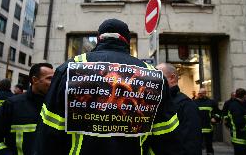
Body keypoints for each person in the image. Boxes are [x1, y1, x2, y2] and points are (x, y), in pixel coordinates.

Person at [33, 19, 178, 155]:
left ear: (99, 39)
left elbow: (49, 131)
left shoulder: (69, 69)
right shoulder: (153, 75)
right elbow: (166, 136)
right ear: (127, 42)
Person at [0, 63, 54, 155]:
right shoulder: (13, 104)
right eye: (49, 78)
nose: (54, 82)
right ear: (35, 80)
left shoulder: (57, 105)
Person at [149, 63, 202, 155]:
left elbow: (191, 145)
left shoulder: (186, 105)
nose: (153, 81)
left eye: (157, 76)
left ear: (172, 78)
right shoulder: (159, 102)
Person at [194, 87, 221, 155]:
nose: (199, 94)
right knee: (197, 145)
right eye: (199, 93)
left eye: (201, 93)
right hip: (198, 128)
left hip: (208, 128)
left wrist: (215, 118)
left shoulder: (211, 102)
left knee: (209, 145)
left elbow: (218, 113)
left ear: (205, 93)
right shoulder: (194, 102)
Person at [227, 88, 246, 155]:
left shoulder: (239, 104)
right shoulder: (236, 106)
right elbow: (239, 122)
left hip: (241, 136)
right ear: (244, 96)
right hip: (239, 137)